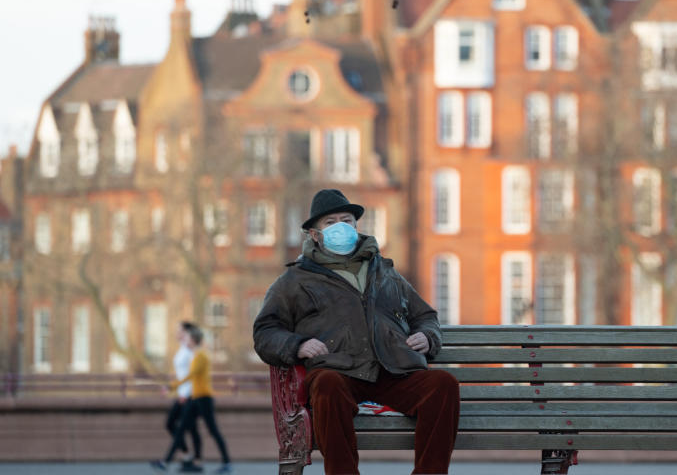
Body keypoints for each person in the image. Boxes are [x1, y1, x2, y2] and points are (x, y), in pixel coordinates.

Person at [253, 188, 460, 475]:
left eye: (347, 220)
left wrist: (427, 336)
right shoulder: (294, 280)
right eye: (330, 222)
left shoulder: (385, 272)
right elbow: (265, 331)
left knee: (443, 385)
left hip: (393, 370)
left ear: (356, 226)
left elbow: (426, 316)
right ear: (315, 234)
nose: (341, 227)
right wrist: (297, 345)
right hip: (339, 372)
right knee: (326, 386)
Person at [151, 323, 233, 474]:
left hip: (204, 399)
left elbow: (190, 376)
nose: (184, 339)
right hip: (195, 398)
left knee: (213, 430)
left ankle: (227, 462)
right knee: (181, 428)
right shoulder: (196, 355)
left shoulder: (201, 356)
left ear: (193, 340)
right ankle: (165, 462)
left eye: (187, 337)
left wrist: (170, 387)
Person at [164, 322, 201, 471]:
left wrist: (187, 394)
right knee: (181, 426)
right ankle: (189, 457)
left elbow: (194, 375)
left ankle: (192, 460)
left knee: (185, 427)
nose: (176, 332)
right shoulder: (182, 348)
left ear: (186, 332)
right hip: (183, 394)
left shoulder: (191, 351)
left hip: (190, 395)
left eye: (179, 330)